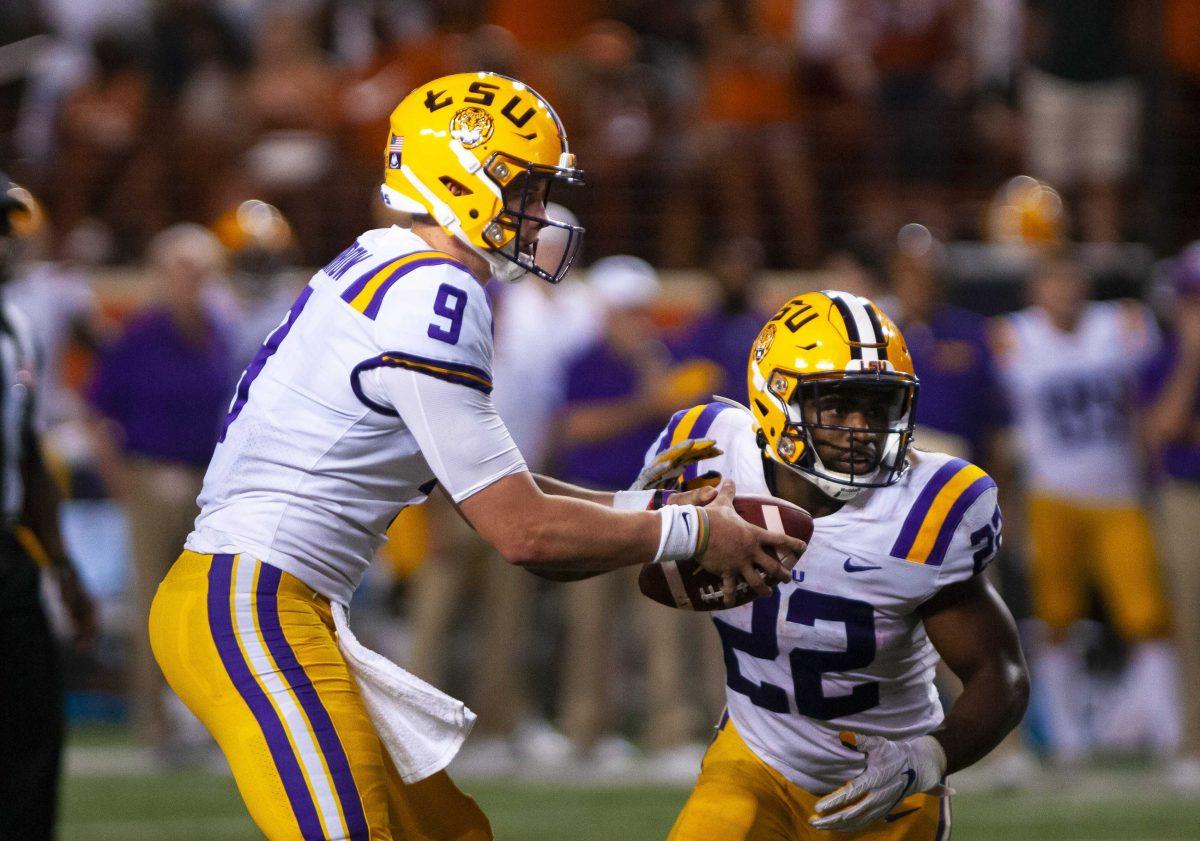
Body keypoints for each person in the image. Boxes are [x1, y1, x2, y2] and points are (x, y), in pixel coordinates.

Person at [147, 72, 802, 841]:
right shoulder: (435, 293)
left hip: (272, 601)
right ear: (460, 178)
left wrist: (646, 509)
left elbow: (493, 489)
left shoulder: (386, 264)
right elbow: (521, 532)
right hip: (252, 601)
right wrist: (687, 531)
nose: (539, 214)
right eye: (524, 188)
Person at [643, 290, 1029, 839]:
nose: (861, 430)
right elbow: (594, 538)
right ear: (776, 401)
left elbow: (1000, 675)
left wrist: (926, 759)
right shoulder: (709, 454)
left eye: (876, 408)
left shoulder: (930, 508)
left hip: (889, 790)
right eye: (837, 406)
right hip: (756, 761)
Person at [991, 253, 1182, 764]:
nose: (1062, 292)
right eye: (1052, 281)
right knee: (1054, 619)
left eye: (1069, 279)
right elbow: (998, 417)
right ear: (1035, 289)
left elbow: (1149, 390)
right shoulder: (1014, 337)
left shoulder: (1120, 325)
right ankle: (1067, 739)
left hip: (1119, 492)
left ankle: (1170, 732)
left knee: (1148, 616)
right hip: (1051, 495)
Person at [87, 222, 235, 756]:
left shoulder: (218, 329)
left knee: (207, 605)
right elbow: (98, 410)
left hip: (207, 481)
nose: (192, 280)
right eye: (182, 269)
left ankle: (200, 720)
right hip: (153, 476)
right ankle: (154, 723)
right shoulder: (141, 334)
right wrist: (124, 482)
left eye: (201, 270)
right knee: (155, 602)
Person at [0, 176, 96, 840]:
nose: (7, 243)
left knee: (31, 734)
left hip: (7, 553)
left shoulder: (16, 326)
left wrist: (61, 563)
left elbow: (28, 456)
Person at [1143, 243, 1200, 788]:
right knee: (1193, 625)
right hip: (1187, 498)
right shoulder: (1165, 357)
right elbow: (1162, 429)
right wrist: (1191, 355)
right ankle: (1194, 744)